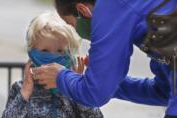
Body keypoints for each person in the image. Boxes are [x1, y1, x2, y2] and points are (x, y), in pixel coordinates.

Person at [32, 0, 177, 108]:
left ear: (83, 10)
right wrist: (105, 81)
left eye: (71, 25)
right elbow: (164, 91)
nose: (77, 32)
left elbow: (95, 94)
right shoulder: (141, 17)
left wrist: (60, 77)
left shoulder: (109, 7)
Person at [0, 12, 104, 118]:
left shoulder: (73, 87)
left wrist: (78, 90)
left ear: (69, 53)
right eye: (45, 51)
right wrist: (25, 94)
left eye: (60, 51)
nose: (53, 57)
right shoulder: (20, 88)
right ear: (32, 52)